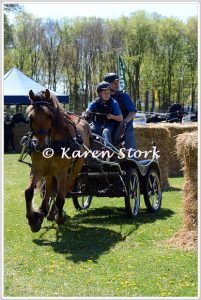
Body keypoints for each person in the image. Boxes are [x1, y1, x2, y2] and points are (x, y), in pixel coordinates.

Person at [103, 73, 137, 153]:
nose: (117, 85)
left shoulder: (124, 95)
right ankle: (108, 152)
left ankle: (133, 157)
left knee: (127, 129)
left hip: (124, 124)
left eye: (118, 82)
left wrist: (124, 122)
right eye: (114, 83)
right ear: (108, 85)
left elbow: (132, 112)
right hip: (110, 123)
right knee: (103, 131)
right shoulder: (103, 96)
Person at [86, 81, 123, 146]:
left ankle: (108, 149)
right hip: (96, 125)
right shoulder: (94, 102)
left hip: (109, 125)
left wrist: (112, 117)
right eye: (105, 93)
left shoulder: (114, 103)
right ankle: (87, 148)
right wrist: (86, 113)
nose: (107, 95)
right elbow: (88, 110)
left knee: (105, 131)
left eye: (108, 93)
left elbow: (120, 118)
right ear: (100, 94)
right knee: (88, 129)